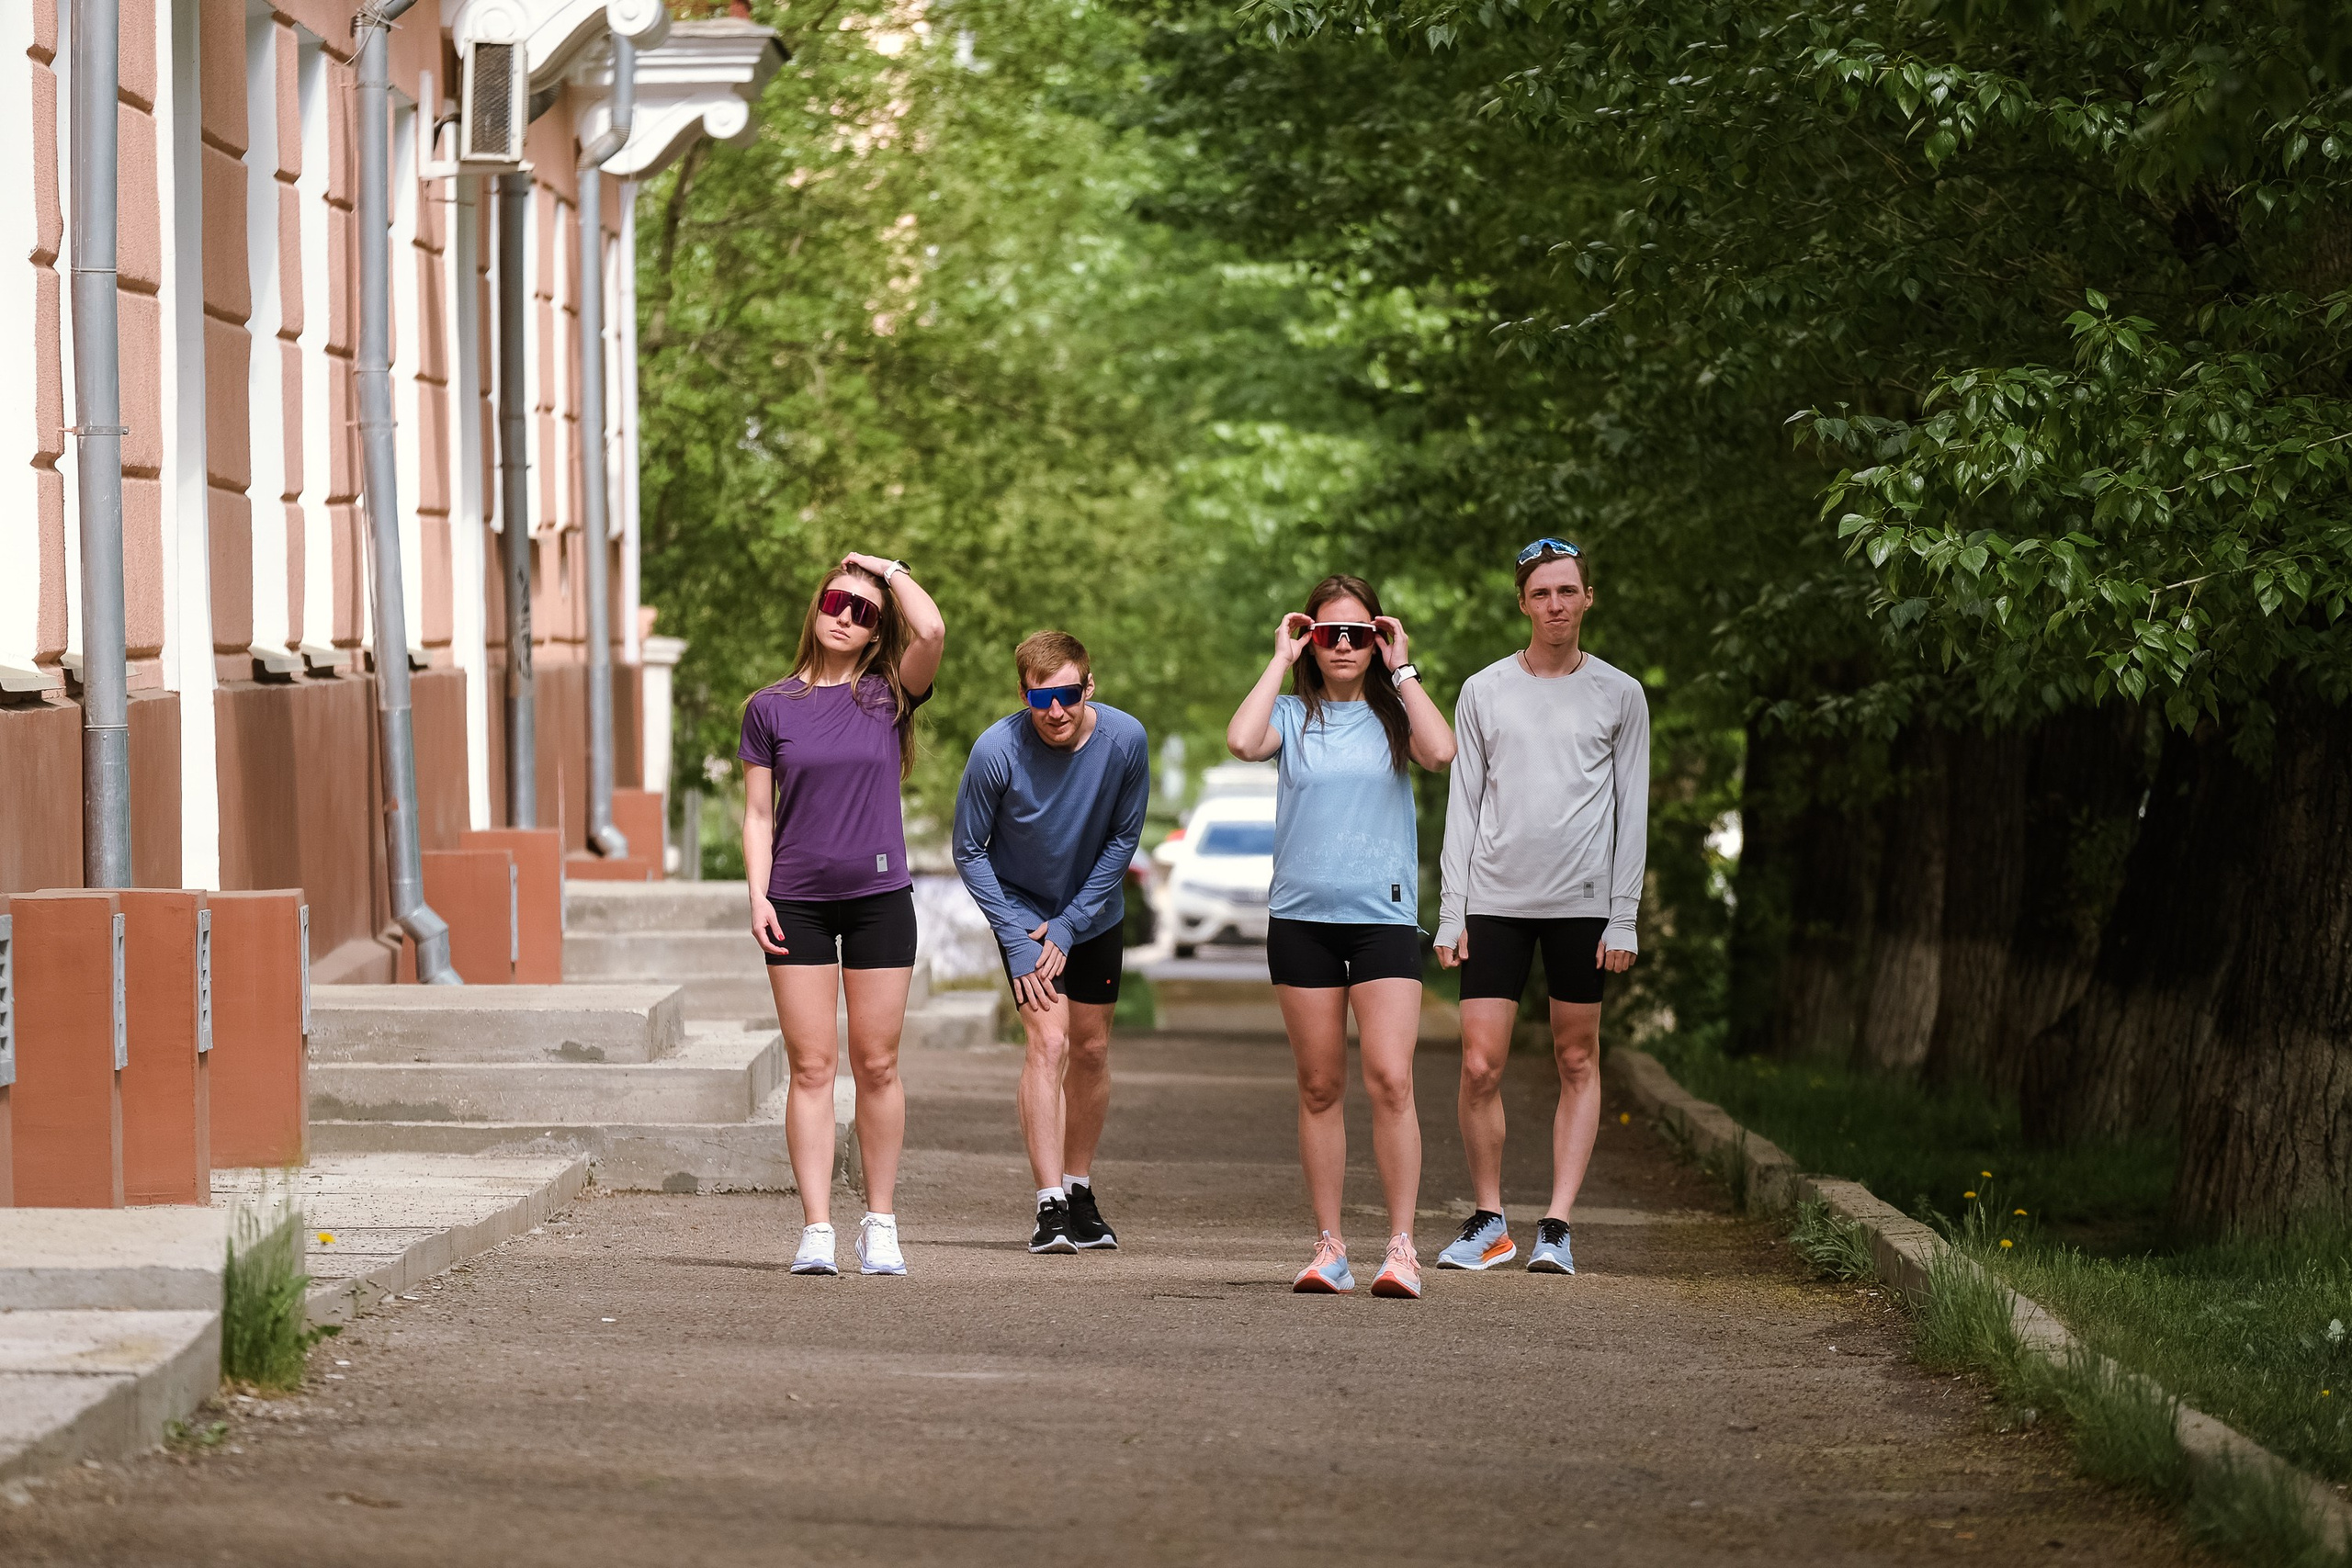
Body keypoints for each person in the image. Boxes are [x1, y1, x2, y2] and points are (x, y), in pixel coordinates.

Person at [1227, 575, 1455, 1298]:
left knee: (1391, 1078)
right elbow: (1240, 739)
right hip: (1301, 921)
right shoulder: (1293, 715)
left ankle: (1402, 1246)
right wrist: (1278, 655)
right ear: (1312, 640)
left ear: (1379, 636)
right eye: (1331, 634)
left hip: (1383, 920)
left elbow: (1442, 752)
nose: (1346, 645)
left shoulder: (1396, 717)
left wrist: (1405, 665)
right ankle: (1330, 1246)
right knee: (1320, 1084)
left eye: (1360, 632)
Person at [1434, 539, 1649, 1277]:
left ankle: (1556, 1224)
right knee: (1479, 1063)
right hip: (1493, 899)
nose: (1555, 604)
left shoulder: (1620, 693)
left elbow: (1634, 809)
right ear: (1522, 603)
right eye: (1541, 593)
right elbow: (1463, 804)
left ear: (1590, 596)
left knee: (1575, 1056)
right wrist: (1450, 909)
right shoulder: (1483, 690)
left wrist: (1624, 915)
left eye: (1568, 590)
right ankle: (1490, 1219)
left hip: (1582, 905)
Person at [739, 553, 946, 1278]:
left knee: (879, 1064)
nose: (847, 615)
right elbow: (758, 813)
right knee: (811, 1065)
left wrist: (885, 569)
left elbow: (933, 626)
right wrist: (758, 894)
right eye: (838, 599)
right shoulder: (769, 706)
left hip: (878, 900)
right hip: (793, 899)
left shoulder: (888, 695)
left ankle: (880, 1224)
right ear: (816, 605)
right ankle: (817, 1228)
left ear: (875, 632)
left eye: (865, 612)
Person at [953, 631, 1151, 1255]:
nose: (1056, 710)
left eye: (1068, 694)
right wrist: (1015, 937)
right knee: (1051, 1040)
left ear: (1088, 686)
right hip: (1024, 917)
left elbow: (1123, 839)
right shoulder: (996, 750)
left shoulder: (1126, 741)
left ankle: (1079, 1187)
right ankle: (1049, 1205)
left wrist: (1071, 923)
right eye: (1043, 697)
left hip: (1092, 915)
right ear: (1024, 693)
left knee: (1091, 1049)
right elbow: (967, 848)